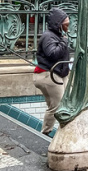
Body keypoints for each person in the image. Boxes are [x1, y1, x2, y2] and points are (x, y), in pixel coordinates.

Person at [33, 7, 70, 137]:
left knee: (60, 104)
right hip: (49, 74)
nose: (67, 27)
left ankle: (62, 131)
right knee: (56, 106)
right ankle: (45, 132)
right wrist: (64, 42)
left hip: (59, 73)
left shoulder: (57, 35)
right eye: (65, 25)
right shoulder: (48, 36)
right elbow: (52, 54)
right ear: (58, 24)